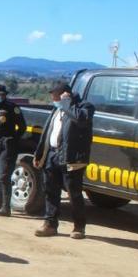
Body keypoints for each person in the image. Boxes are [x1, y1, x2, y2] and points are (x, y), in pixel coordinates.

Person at [33, 83, 94, 239]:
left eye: (55, 96)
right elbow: (48, 133)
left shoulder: (84, 107)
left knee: (74, 194)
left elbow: (81, 120)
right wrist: (40, 154)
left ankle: (79, 227)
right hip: (52, 155)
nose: (53, 100)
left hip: (71, 157)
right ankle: (50, 224)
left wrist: (67, 105)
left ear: (65, 95)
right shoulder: (56, 109)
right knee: (50, 191)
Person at [0, 84, 26, 216]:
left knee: (4, 176)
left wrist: (13, 139)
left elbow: (22, 127)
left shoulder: (12, 108)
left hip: (6, 145)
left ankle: (6, 207)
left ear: (4, 95)